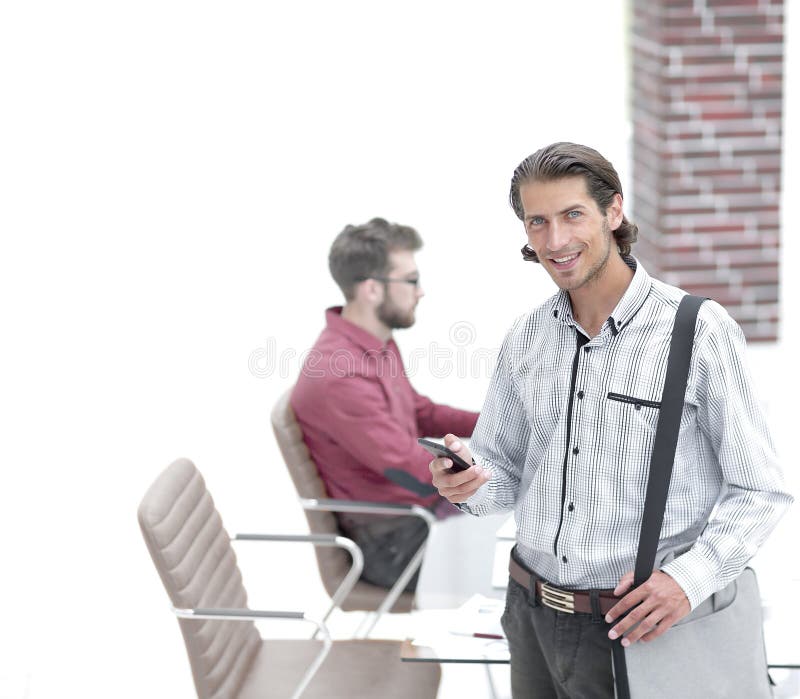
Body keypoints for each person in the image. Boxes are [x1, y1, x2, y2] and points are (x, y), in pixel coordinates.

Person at [428, 142, 793, 698]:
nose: (555, 241)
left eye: (572, 214)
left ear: (614, 211)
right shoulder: (526, 337)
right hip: (531, 619)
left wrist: (685, 583)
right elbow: (503, 478)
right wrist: (467, 482)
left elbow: (761, 490)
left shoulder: (698, 331)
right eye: (538, 222)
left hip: (642, 627)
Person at [291, 217, 479, 591]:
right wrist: (491, 471)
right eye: (410, 281)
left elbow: (420, 413)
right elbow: (406, 469)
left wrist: (501, 422)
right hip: (393, 543)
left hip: (417, 517)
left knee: (532, 524)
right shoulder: (338, 373)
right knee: (527, 551)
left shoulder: (375, 342)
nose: (420, 291)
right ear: (372, 289)